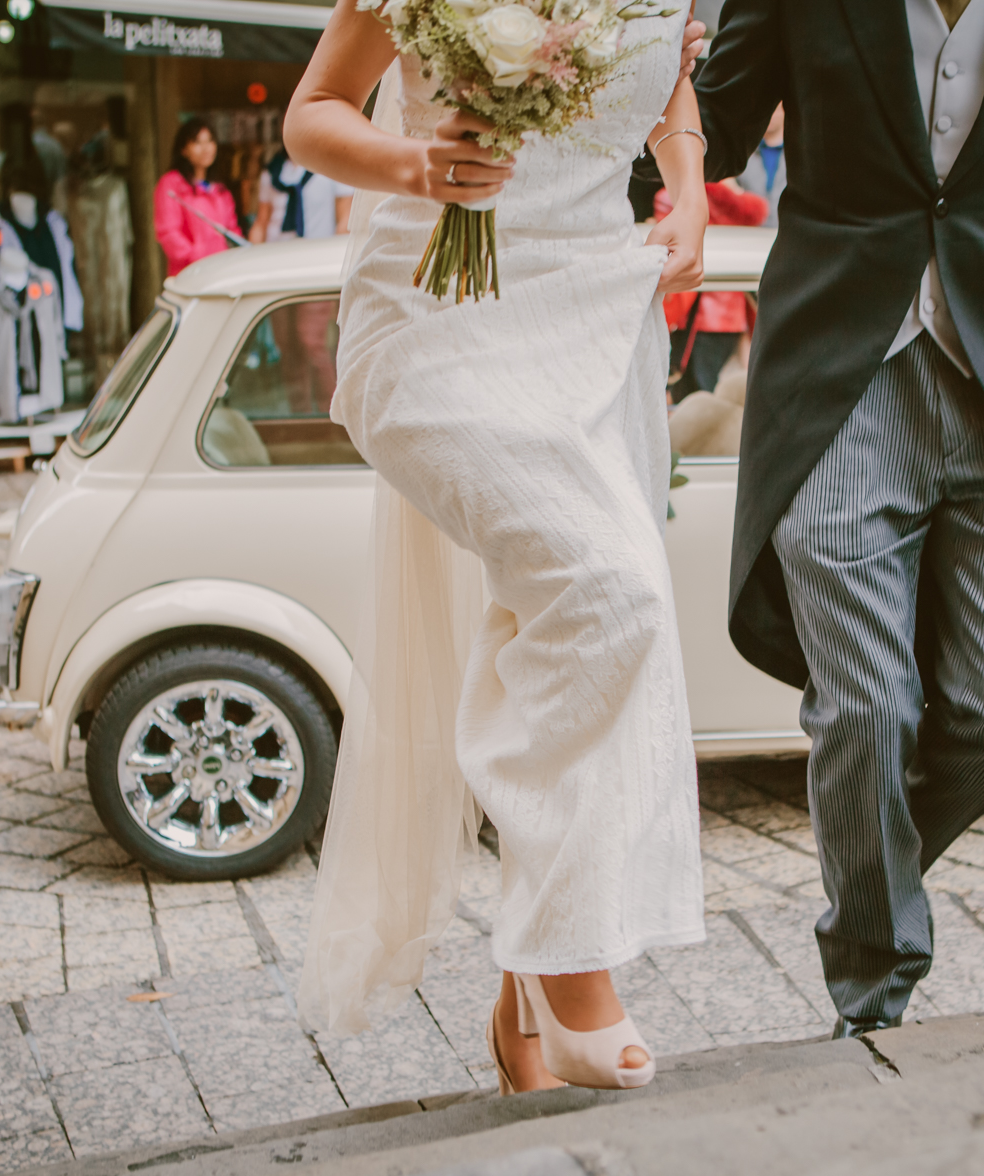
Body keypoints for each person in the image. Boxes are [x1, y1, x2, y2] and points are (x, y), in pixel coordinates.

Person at [688, 0, 984, 1038]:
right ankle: (873, 977)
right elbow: (712, 128)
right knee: (865, 708)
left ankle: (870, 857)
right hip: (839, 376)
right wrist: (559, 110)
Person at [285, 11, 712, 1093]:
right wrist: (416, 163)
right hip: (433, 305)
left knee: (583, 613)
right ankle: (568, 955)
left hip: (590, 308)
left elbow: (663, 76)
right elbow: (312, 115)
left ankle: (532, 968)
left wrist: (691, 186)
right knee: (608, 594)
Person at [250, 151, 355, 418]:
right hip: (277, 267)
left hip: (316, 267)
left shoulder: (331, 165)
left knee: (311, 340)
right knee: (288, 346)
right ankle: (300, 415)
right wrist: (252, 253)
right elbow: (263, 220)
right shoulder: (273, 172)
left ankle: (332, 415)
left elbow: (345, 218)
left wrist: (334, 262)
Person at [657, 178, 768, 400]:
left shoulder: (679, 196)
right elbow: (757, 212)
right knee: (708, 387)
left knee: (688, 390)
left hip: (691, 311)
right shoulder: (736, 201)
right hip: (730, 316)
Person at [153, 119, 239, 281]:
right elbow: (168, 232)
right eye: (197, 142)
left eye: (210, 141)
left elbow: (231, 230)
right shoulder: (171, 184)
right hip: (191, 275)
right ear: (184, 149)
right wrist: (196, 255)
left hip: (222, 272)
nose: (206, 148)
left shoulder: (220, 190)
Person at [734, 102, 786, 228]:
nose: (771, 115)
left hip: (785, 233)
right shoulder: (743, 151)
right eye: (768, 111)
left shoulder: (798, 152)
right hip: (748, 235)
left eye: (776, 110)